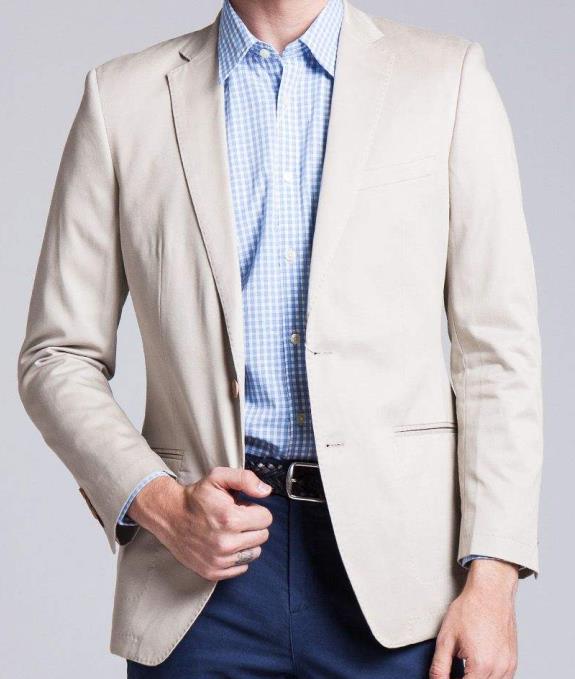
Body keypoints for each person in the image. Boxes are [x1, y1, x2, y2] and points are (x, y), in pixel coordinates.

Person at [18, 0, 543, 677]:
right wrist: (160, 503)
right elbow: (57, 355)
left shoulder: (446, 79)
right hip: (199, 575)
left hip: (403, 580)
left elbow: (496, 351)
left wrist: (493, 576)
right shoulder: (122, 98)